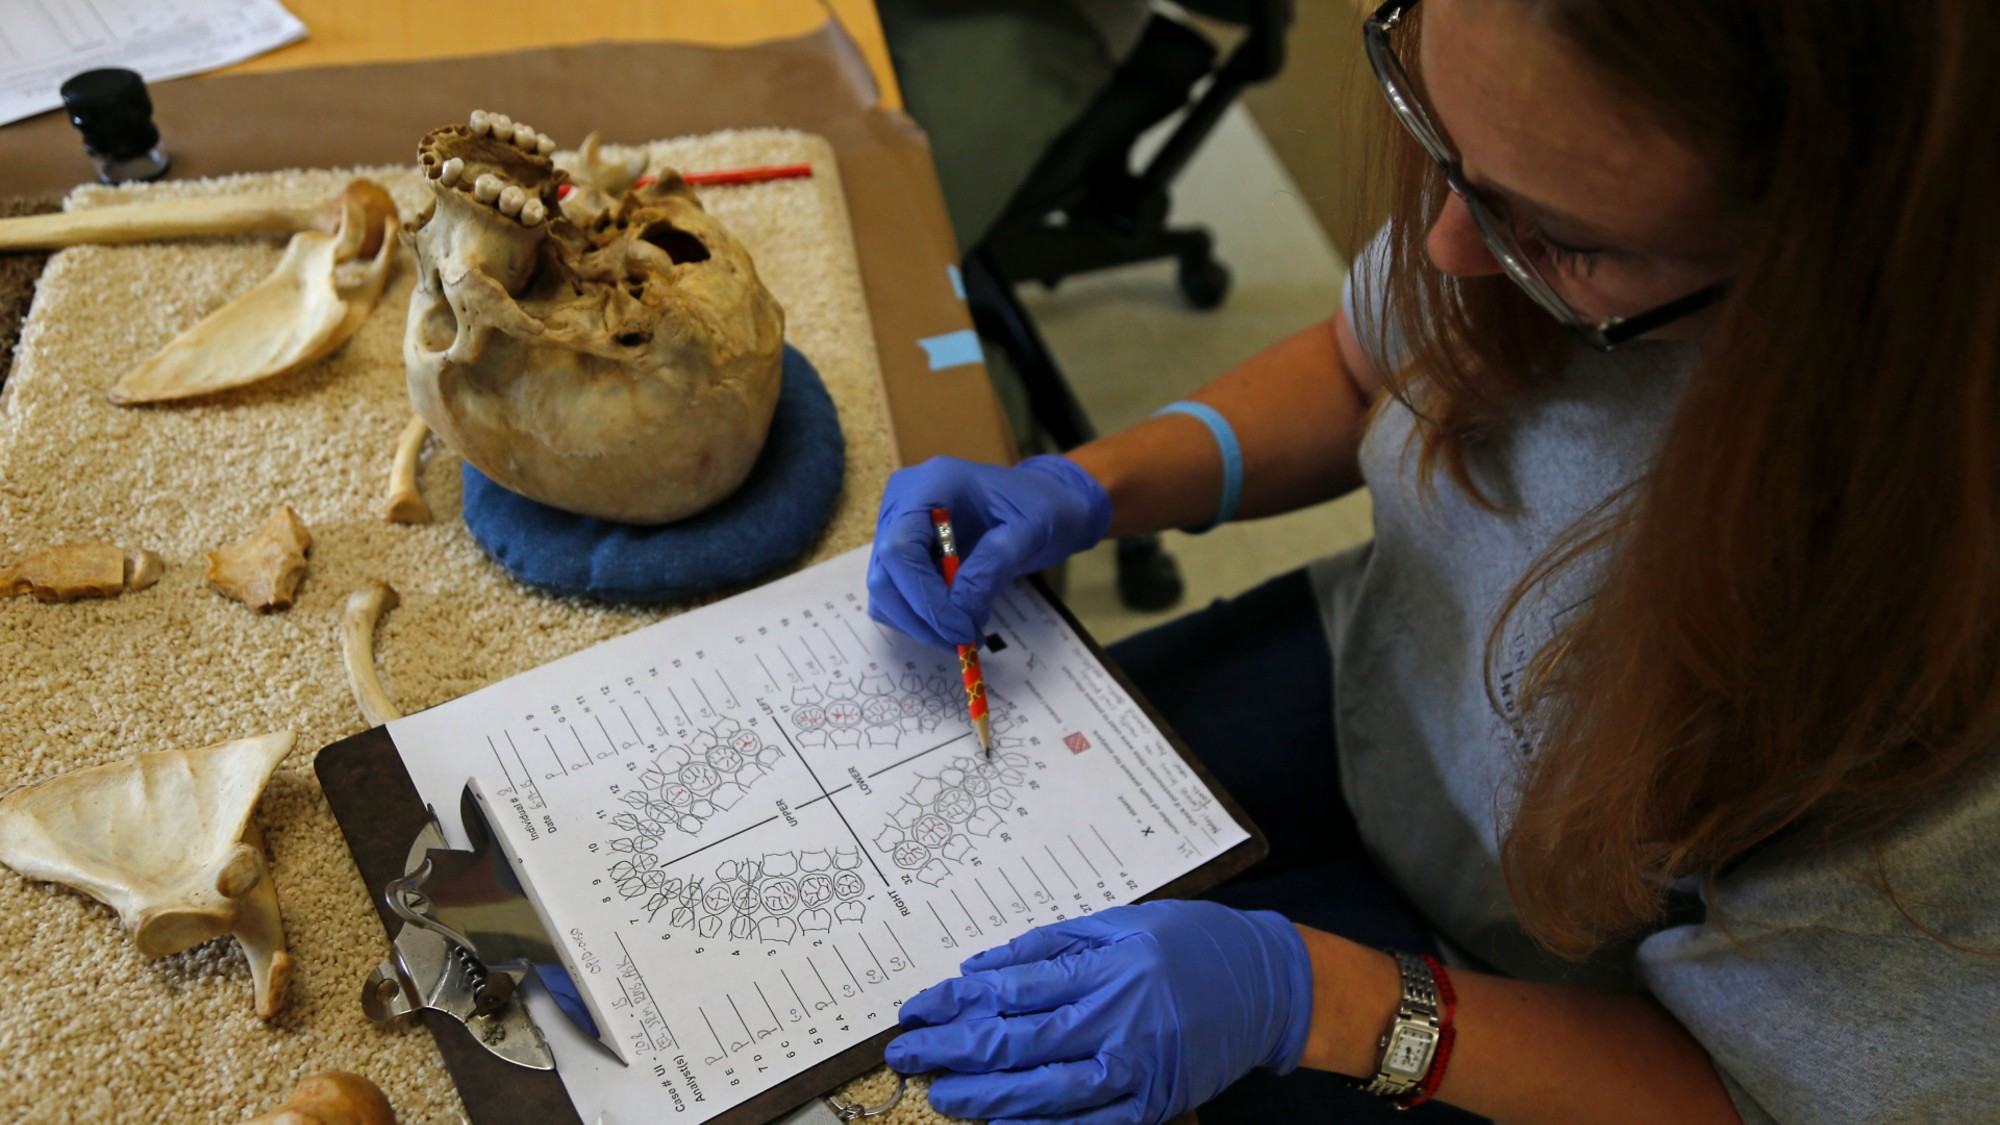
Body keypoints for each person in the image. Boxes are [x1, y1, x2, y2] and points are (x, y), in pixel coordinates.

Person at [863, 0, 2000, 1122]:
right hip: (1376, 679)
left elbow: (1760, 1095)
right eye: (1440, 141)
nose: (1450, 250)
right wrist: (1087, 486)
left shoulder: (1951, 704)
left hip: (1569, 1017)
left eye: (1566, 244)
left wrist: (1314, 1002)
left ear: (1832, 269)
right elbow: (1370, 367)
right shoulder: (1520, 171)